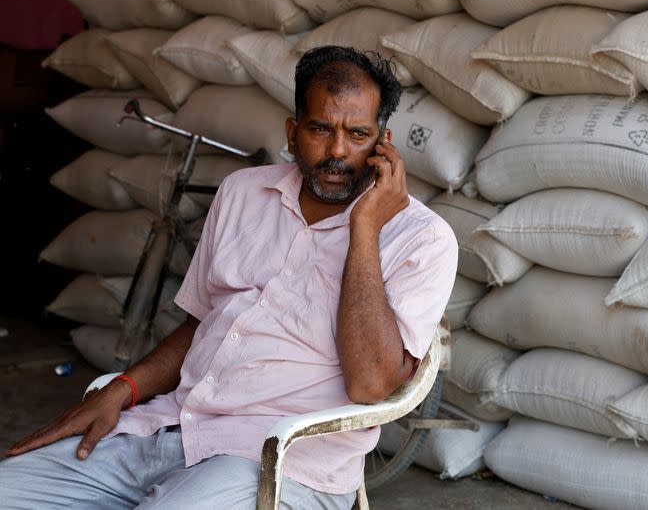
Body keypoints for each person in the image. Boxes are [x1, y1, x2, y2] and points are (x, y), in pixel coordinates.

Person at [1, 46, 458, 509]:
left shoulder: (422, 239)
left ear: (384, 144)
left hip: (279, 463)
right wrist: (125, 388)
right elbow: (202, 323)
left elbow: (370, 383)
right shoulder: (243, 192)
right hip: (169, 427)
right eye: (321, 129)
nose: (338, 151)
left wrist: (365, 228)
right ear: (293, 132)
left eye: (358, 134)